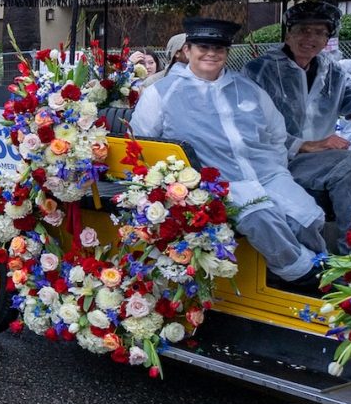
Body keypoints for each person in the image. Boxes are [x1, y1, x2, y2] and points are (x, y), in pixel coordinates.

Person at [131, 18, 326, 285]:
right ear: (187, 50)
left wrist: (276, 168)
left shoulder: (247, 88)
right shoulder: (161, 93)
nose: (211, 54)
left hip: (267, 174)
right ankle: (302, 275)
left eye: (219, 48)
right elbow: (142, 142)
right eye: (203, 47)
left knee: (309, 216)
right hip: (220, 184)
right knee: (261, 218)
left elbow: (276, 132)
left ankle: (321, 263)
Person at [243, 1, 351, 230]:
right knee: (350, 162)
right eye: (303, 30)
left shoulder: (332, 71)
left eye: (319, 32)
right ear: (288, 34)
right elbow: (249, 127)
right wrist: (304, 145)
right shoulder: (260, 71)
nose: (310, 38)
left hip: (324, 157)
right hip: (279, 161)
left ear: (327, 39)